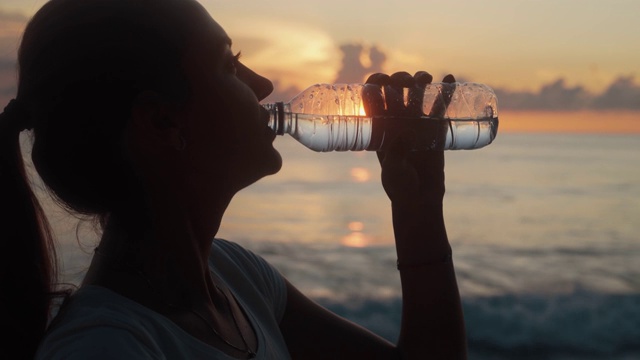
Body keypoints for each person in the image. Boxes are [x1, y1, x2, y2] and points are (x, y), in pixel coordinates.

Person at [0, 0, 467, 358]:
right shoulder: (109, 347)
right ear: (164, 123)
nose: (262, 85)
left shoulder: (237, 279)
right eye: (230, 63)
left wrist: (418, 210)